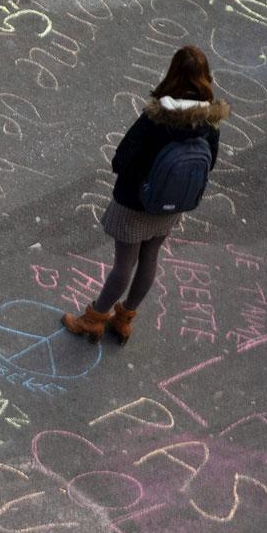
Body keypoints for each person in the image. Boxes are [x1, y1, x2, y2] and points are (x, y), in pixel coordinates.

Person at [62, 45, 230, 344]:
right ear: (204, 78)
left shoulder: (157, 117)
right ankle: (124, 319)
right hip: (172, 203)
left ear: (173, 75)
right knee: (150, 255)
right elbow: (210, 163)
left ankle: (94, 319)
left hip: (135, 202)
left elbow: (124, 158)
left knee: (123, 264)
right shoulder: (209, 121)